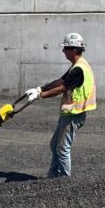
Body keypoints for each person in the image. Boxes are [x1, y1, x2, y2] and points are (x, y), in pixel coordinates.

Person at [23, 32, 97, 177]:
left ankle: (64, 183)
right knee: (54, 145)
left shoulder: (78, 69)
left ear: (74, 50)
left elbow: (63, 88)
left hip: (74, 114)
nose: (63, 51)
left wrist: (40, 96)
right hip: (69, 113)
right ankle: (53, 177)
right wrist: (41, 88)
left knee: (63, 149)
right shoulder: (77, 65)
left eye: (66, 48)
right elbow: (61, 81)